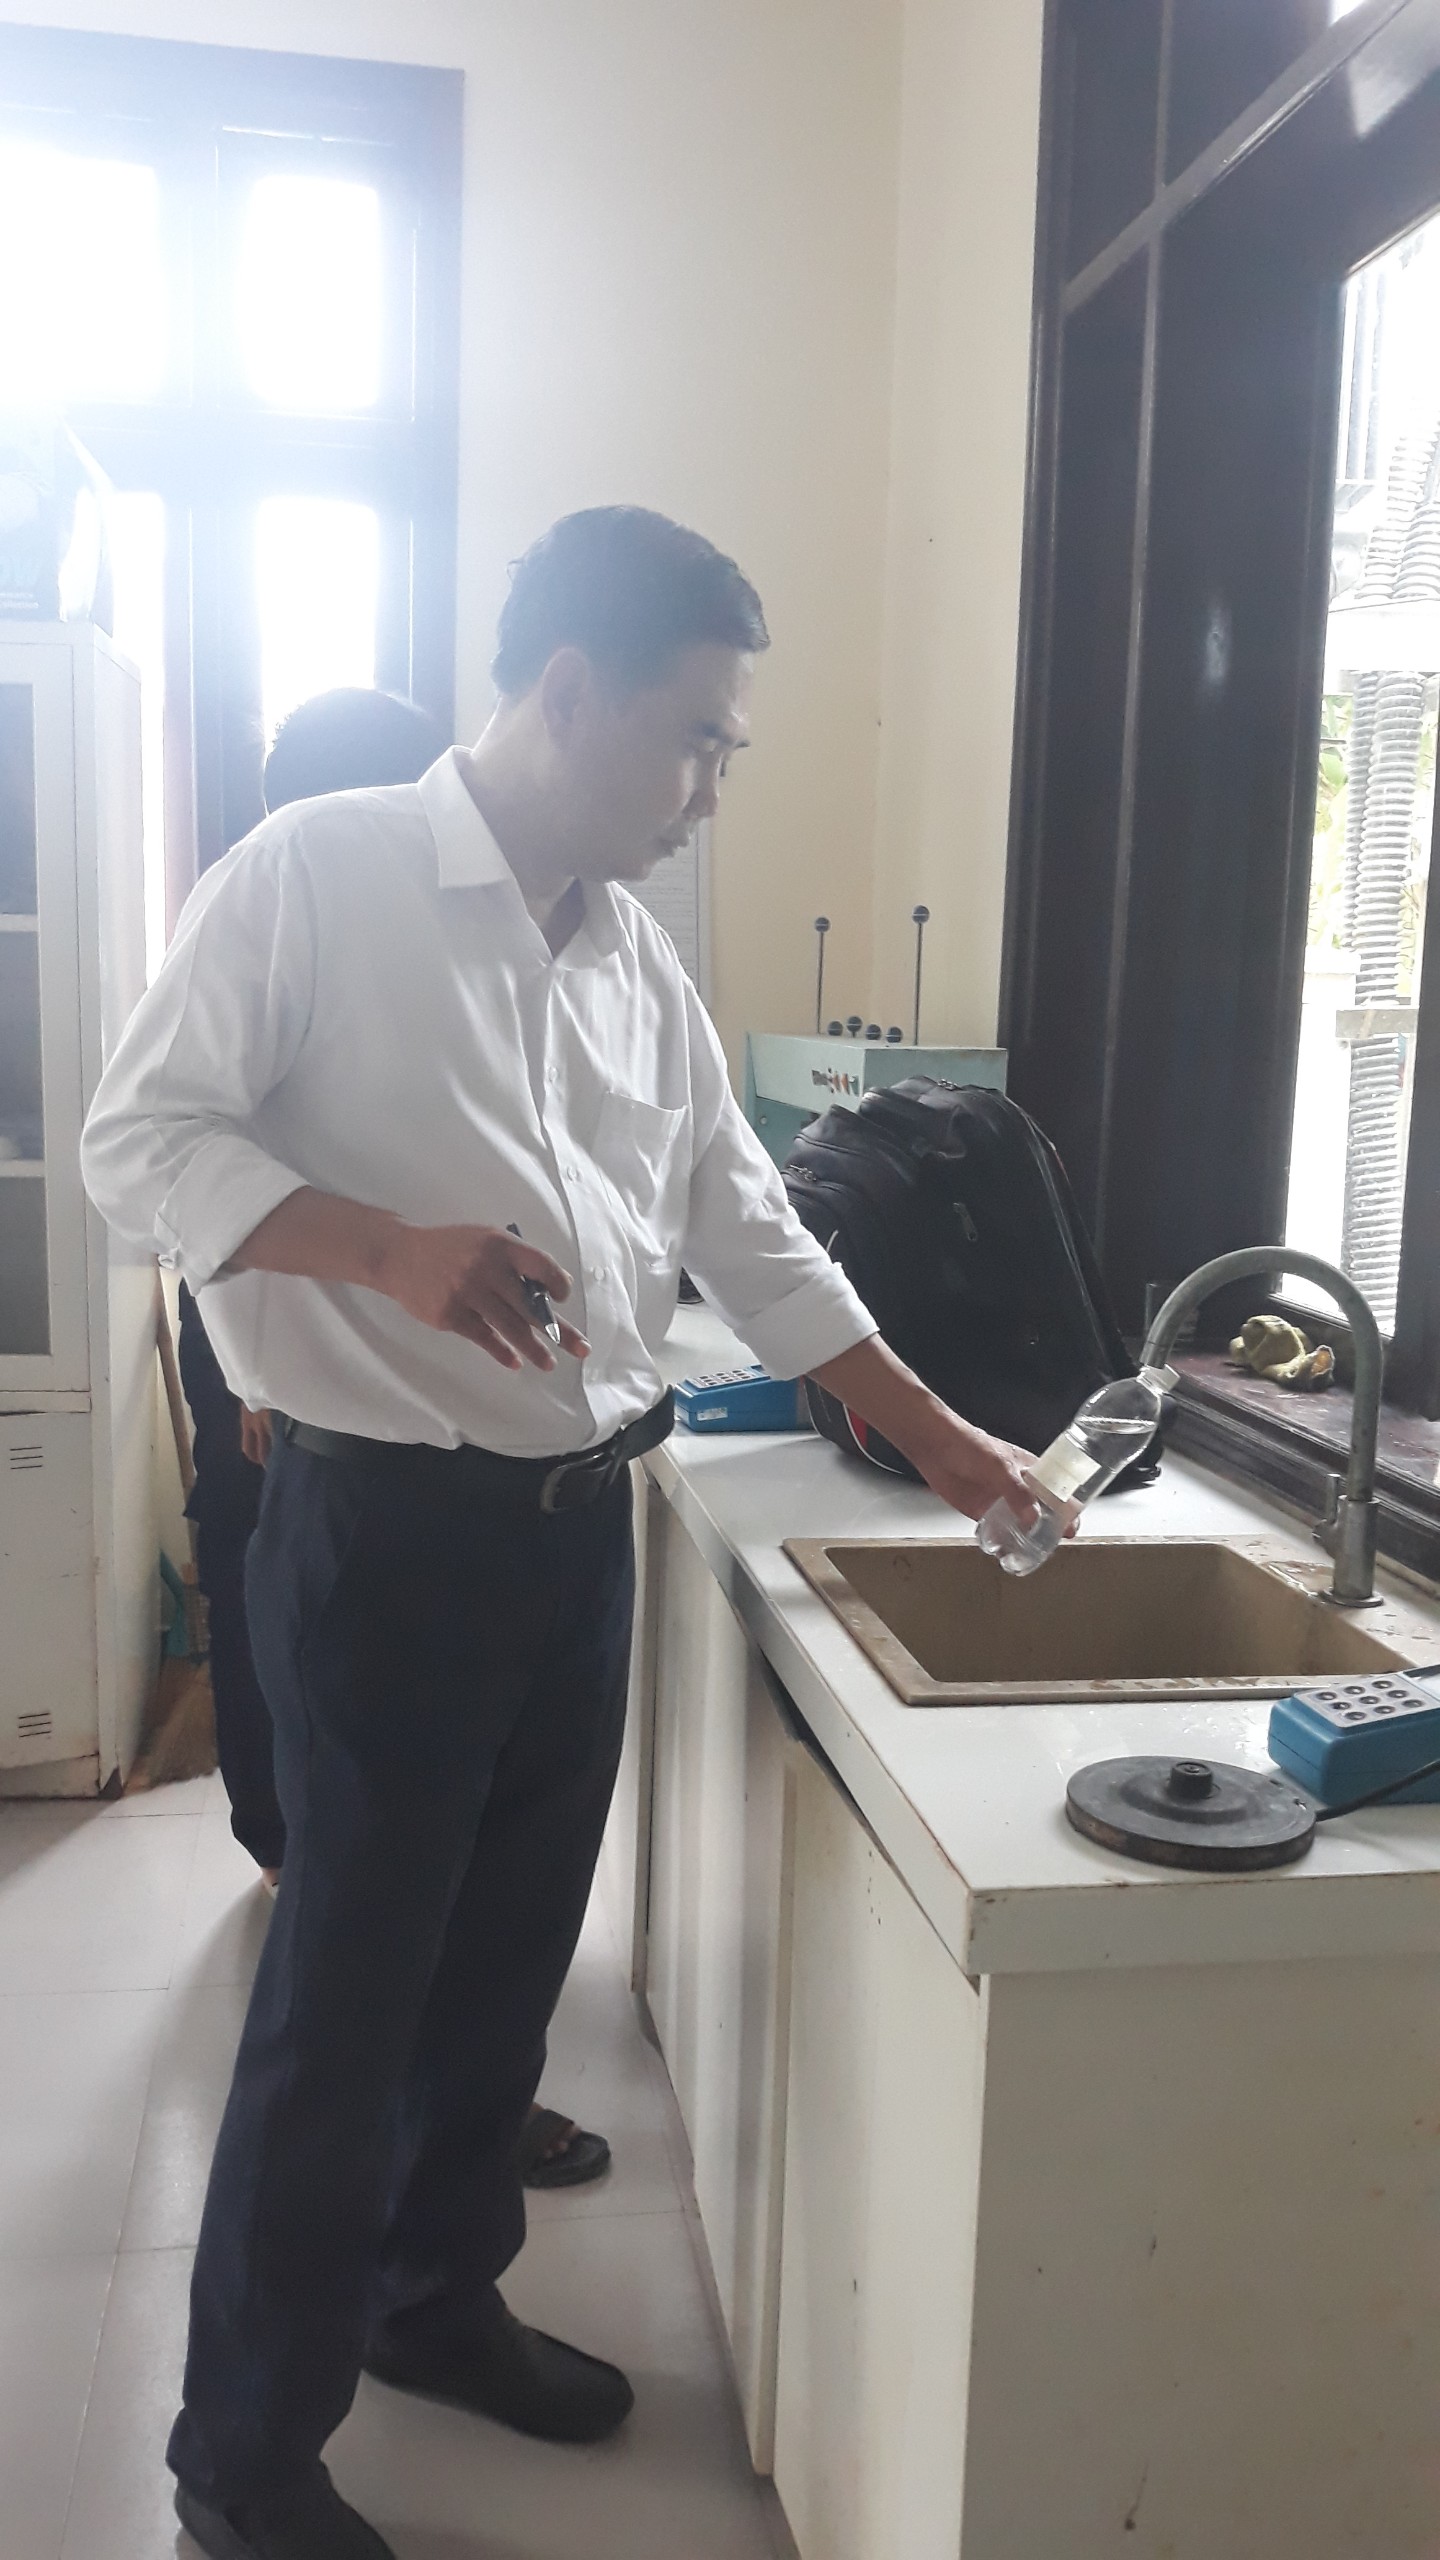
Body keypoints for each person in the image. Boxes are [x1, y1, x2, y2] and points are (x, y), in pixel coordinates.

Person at [82, 505, 1035, 2560]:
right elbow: (136, 1140)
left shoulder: (635, 962)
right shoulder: (316, 876)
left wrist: (946, 1439)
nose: (713, 785)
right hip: (383, 1540)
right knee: (344, 2007)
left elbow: (742, 1223)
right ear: (572, 692)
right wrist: (380, 1248)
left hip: (574, 1535)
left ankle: (432, 2299)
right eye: (700, 737)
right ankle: (240, 2454)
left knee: (503, 1970)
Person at [180, 685, 608, 2192]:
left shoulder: (551, 939)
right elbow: (180, 1153)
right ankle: (295, 1871)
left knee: (461, 1846)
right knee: (298, 1658)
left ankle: (446, 2133)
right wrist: (273, 1364)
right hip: (307, 1353)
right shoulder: (284, 895)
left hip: (459, 1381)